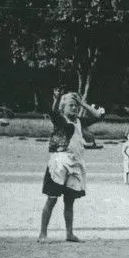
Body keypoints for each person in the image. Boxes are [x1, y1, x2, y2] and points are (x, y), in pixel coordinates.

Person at [38, 90, 105, 243]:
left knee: (70, 201)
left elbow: (98, 116)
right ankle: (42, 234)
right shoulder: (60, 120)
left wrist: (83, 103)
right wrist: (56, 100)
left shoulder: (80, 122)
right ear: (63, 108)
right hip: (60, 163)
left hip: (75, 163)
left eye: (76, 106)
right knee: (52, 199)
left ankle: (69, 233)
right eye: (71, 105)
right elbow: (52, 112)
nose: (74, 108)